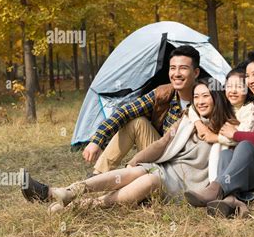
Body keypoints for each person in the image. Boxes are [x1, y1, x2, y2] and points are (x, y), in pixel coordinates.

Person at [21, 79, 237, 212]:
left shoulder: (229, 127)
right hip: (166, 168)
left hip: (186, 184)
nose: (200, 101)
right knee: (138, 171)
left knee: (150, 179)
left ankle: (83, 205)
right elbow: (163, 142)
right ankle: (65, 192)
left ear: (217, 97)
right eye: (197, 97)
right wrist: (134, 161)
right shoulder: (187, 118)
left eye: (205, 96)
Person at [184, 50, 254, 217]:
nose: (250, 81)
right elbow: (200, 105)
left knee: (245, 145)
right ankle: (232, 201)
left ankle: (215, 190)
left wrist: (234, 134)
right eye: (248, 76)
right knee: (226, 154)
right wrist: (198, 124)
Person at [82, 45, 201, 176]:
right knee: (136, 122)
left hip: (186, 165)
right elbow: (126, 112)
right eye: (173, 68)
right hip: (162, 154)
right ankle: (98, 174)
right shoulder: (163, 93)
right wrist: (96, 140)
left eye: (183, 68)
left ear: (196, 73)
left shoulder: (206, 99)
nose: (177, 74)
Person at [189, 65, 254, 182]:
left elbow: (243, 137)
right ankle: (214, 183)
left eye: (239, 87)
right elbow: (191, 108)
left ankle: (218, 184)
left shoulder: (249, 109)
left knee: (220, 147)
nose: (233, 91)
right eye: (229, 86)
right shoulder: (225, 101)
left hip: (240, 153)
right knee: (218, 148)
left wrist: (215, 138)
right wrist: (198, 124)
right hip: (223, 148)